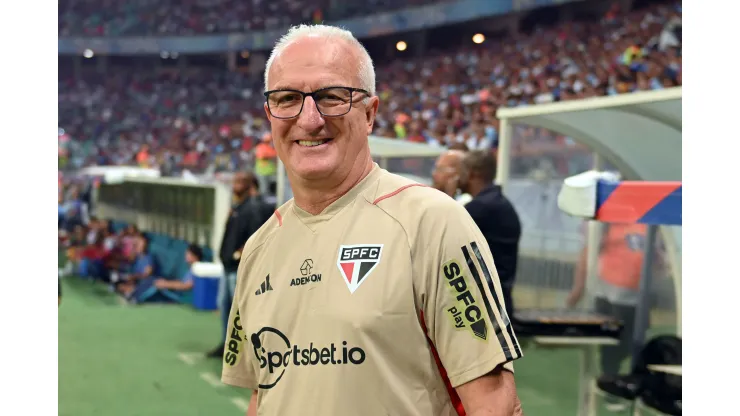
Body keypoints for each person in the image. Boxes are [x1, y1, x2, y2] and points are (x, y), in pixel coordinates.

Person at [221, 24, 523, 416]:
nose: (309, 119)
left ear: (370, 113)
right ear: (269, 114)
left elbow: (495, 402)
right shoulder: (260, 247)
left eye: (332, 97)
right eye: (287, 98)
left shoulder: (432, 223)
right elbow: (263, 396)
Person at [567, 223, 663, 378]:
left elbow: (658, 259)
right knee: (613, 345)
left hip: (639, 298)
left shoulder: (652, 223)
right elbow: (588, 250)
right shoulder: (610, 220)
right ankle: (610, 381)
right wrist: (579, 288)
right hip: (611, 296)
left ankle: (629, 381)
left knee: (637, 342)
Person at [207, 171, 272, 358]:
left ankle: (245, 351)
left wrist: (238, 255)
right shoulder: (239, 207)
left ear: (251, 185)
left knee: (240, 311)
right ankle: (228, 345)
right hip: (228, 267)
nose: (235, 185)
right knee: (227, 308)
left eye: (240, 182)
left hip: (238, 269)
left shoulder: (252, 208)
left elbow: (256, 237)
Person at [458, 150, 522, 321]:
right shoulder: (498, 203)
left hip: (486, 307)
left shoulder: (481, 208)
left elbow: (438, 236)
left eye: (460, 171)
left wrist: (444, 195)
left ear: (472, 173)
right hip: (497, 301)